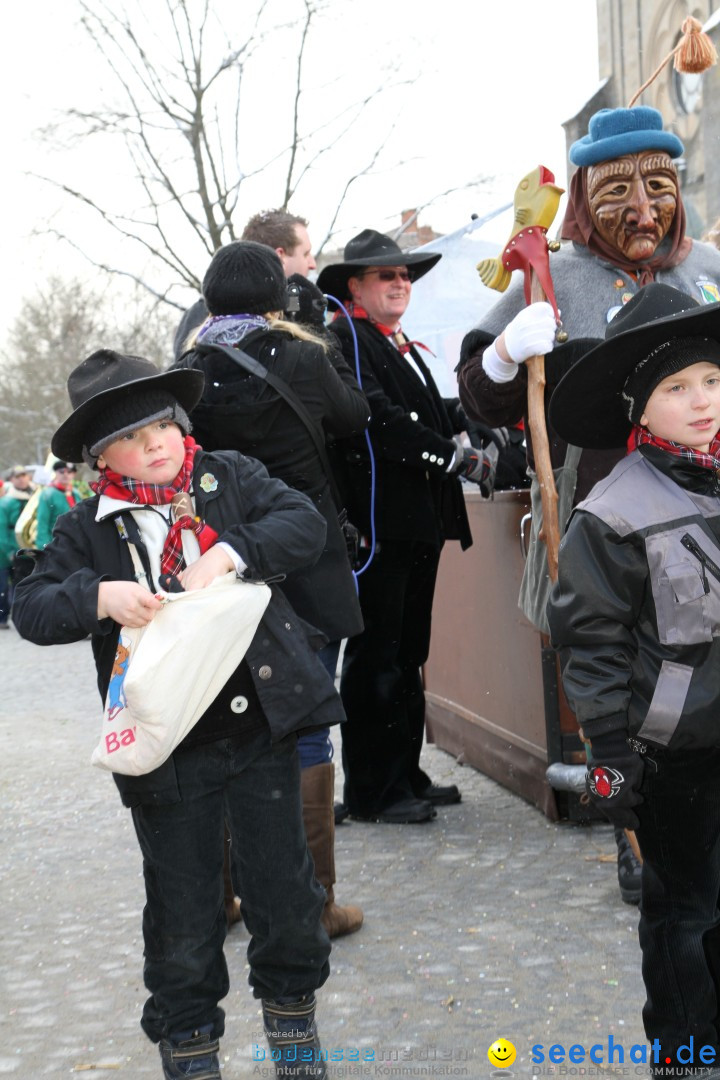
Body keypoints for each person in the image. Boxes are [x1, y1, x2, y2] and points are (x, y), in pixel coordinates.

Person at [11, 349, 341, 1080]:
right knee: (184, 918)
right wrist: (98, 597)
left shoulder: (229, 477)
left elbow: (304, 524)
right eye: (132, 437)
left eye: (162, 423)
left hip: (260, 731)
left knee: (286, 897)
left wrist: (229, 552)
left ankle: (297, 1049)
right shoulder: (90, 525)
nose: (156, 442)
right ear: (101, 457)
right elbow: (30, 607)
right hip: (167, 753)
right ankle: (191, 1055)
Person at [457, 105, 720, 903]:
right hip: (614, 517)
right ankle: (633, 827)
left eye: (660, 186)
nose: (643, 211)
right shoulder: (554, 276)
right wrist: (505, 354)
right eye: (618, 192)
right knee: (621, 679)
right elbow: (481, 397)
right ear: (581, 195)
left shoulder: (706, 266)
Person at [172, 240, 369, 937]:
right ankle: (311, 904)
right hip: (307, 557)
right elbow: (352, 419)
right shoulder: (307, 356)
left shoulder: (186, 374)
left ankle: (227, 897)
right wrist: (326, 345)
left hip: (223, 563)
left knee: (228, 721)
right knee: (309, 722)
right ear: (276, 300)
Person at [546, 283, 720, 1077]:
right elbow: (589, 643)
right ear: (640, 413)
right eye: (677, 389)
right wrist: (609, 751)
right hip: (676, 757)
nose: (702, 401)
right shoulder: (612, 514)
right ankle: (686, 1055)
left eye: (713, 381)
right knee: (687, 916)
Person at [316, 228, 493, 824]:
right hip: (380, 524)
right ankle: (373, 791)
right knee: (377, 657)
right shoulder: (346, 340)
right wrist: (454, 455)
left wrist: (481, 414)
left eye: (405, 276)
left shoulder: (396, 344)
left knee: (407, 652)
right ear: (354, 287)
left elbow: (430, 408)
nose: (400, 283)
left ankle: (405, 774)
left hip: (417, 521)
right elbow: (382, 420)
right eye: (386, 275)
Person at [173, 209, 318, 360]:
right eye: (306, 254)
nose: (312, 264)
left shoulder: (295, 307)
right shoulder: (204, 314)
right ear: (279, 257)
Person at [0, 466, 35, 629]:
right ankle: (9, 617)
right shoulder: (6, 502)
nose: (21, 478)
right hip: (12, 550)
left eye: (24, 475)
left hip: (32, 550)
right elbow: (2, 529)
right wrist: (9, 551)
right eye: (17, 476)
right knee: (10, 586)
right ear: (11, 480)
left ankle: (29, 616)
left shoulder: (36, 497)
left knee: (30, 584)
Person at [35, 461, 84, 549]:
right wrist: (45, 549)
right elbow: (42, 524)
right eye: (61, 472)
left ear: (73, 474)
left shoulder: (76, 493)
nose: (65, 474)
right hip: (57, 544)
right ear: (56, 473)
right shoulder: (47, 494)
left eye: (69, 472)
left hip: (76, 544)